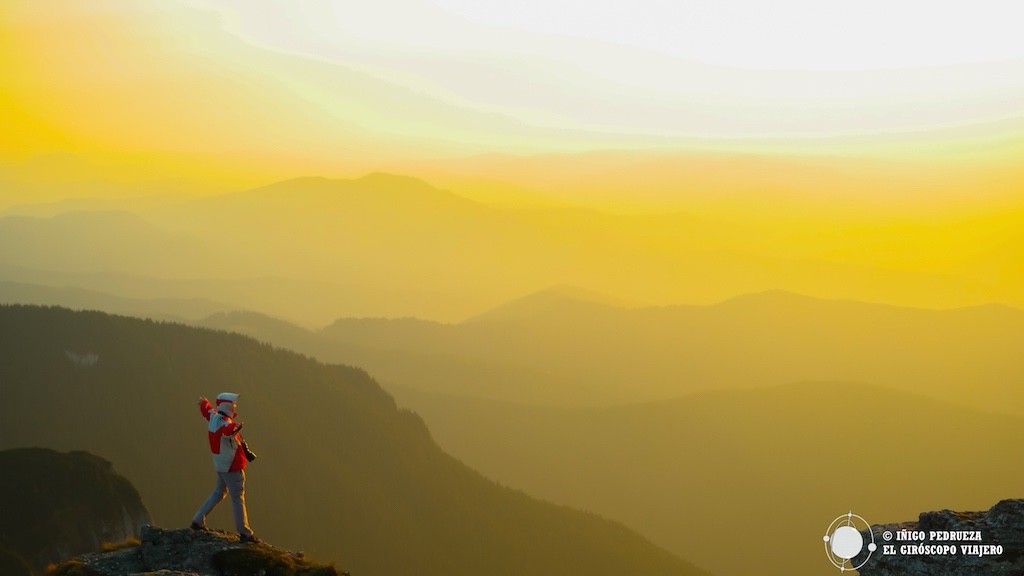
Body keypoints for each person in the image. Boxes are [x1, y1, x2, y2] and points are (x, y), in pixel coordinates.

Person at [190, 392, 260, 543]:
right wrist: (237, 426)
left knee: (218, 492)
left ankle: (198, 520)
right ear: (228, 406)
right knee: (237, 499)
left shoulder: (213, 418)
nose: (235, 406)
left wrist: (204, 402)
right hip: (232, 467)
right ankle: (245, 533)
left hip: (220, 465)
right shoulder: (226, 424)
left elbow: (207, 409)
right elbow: (228, 431)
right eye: (233, 404)